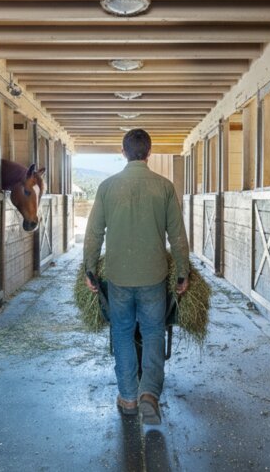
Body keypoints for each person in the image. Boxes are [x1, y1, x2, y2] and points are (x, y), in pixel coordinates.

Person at [83, 129, 190, 425]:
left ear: (123, 152)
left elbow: (93, 234)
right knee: (154, 332)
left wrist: (89, 269)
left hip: (118, 276)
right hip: (154, 276)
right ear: (149, 153)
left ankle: (128, 397)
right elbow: (178, 236)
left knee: (122, 332)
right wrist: (183, 272)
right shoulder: (164, 187)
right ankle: (149, 395)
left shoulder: (107, 187)